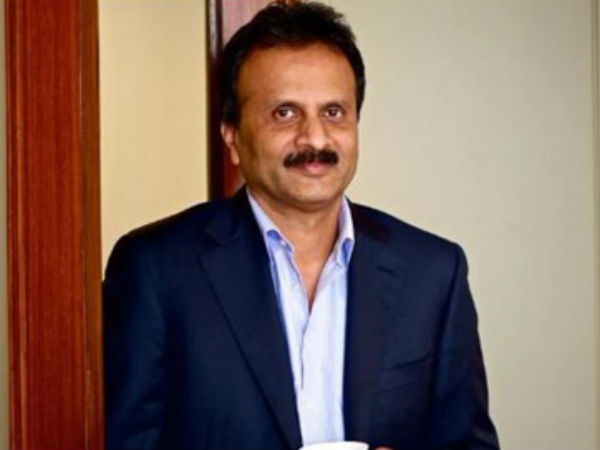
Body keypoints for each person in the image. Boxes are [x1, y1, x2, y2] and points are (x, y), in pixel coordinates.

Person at [103, 2, 499, 449]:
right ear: (232, 135)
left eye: (334, 112)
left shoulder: (433, 273)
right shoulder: (155, 269)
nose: (315, 138)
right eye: (285, 113)